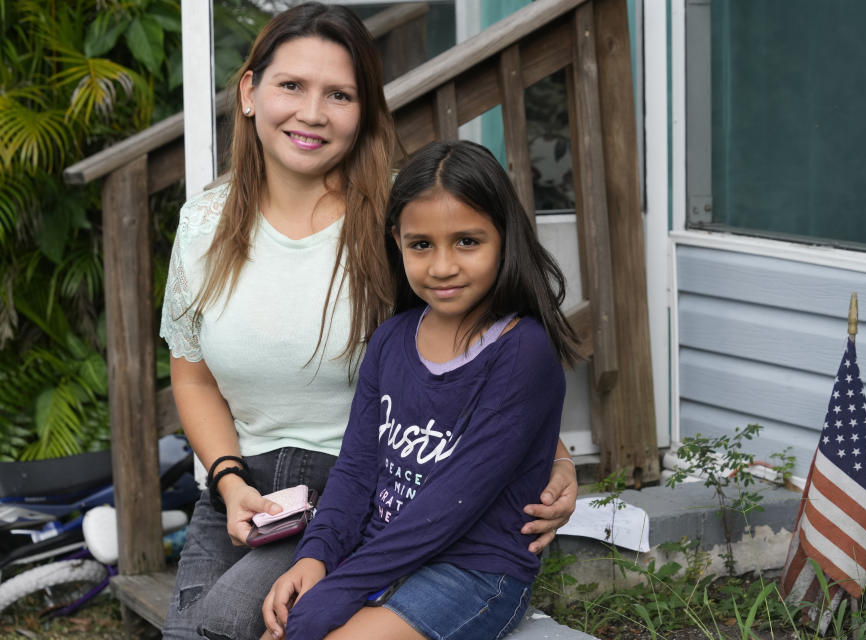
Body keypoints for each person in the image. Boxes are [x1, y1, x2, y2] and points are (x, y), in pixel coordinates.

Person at [159, 5, 578, 639]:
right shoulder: (202, 226)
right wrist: (228, 479)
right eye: (291, 85)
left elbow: (476, 347)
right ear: (249, 92)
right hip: (248, 490)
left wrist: (555, 456)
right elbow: (191, 379)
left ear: (365, 111)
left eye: (340, 94)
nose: (313, 113)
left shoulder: (402, 218)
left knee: (230, 626)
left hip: (362, 489)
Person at [261, 139, 581, 640]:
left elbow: (453, 503)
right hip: (381, 550)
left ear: (505, 237)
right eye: (421, 244)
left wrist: (340, 590)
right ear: (397, 241)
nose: (442, 266)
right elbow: (358, 467)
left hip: (472, 571)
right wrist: (317, 555)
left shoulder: (523, 352)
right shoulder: (391, 340)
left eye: (468, 242)